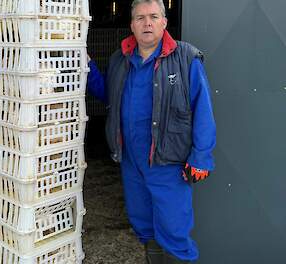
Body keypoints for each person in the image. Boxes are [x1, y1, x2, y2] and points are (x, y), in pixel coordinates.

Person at [87, 0, 216, 263]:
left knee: (174, 228)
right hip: (131, 161)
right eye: (140, 18)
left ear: (164, 22)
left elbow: (202, 108)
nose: (147, 23)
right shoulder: (120, 60)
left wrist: (201, 157)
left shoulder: (185, 58)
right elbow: (109, 95)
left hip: (168, 163)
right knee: (143, 223)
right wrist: (87, 67)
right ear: (132, 25)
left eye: (154, 16)